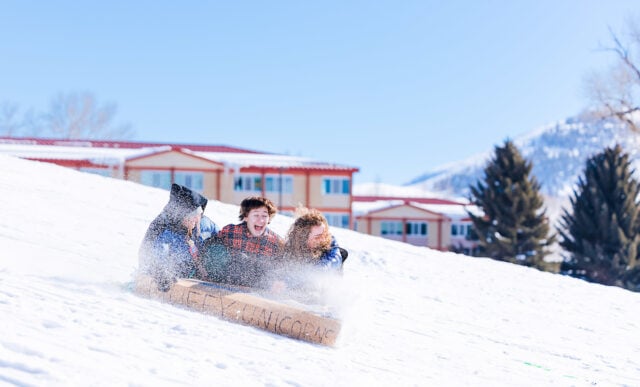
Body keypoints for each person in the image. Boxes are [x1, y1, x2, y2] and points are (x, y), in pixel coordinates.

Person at [200, 196, 284, 287]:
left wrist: (277, 282)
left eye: (264, 216)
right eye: (256, 215)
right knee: (225, 253)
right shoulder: (231, 232)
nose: (261, 220)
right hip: (228, 282)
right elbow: (209, 248)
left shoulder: (275, 242)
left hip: (257, 288)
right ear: (246, 217)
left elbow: (281, 269)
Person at [138, 183, 209, 291]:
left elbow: (220, 238)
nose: (196, 219)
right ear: (180, 215)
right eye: (192, 215)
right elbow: (150, 255)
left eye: (199, 213)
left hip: (198, 273)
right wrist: (160, 273)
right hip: (171, 274)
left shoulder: (203, 224)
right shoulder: (162, 229)